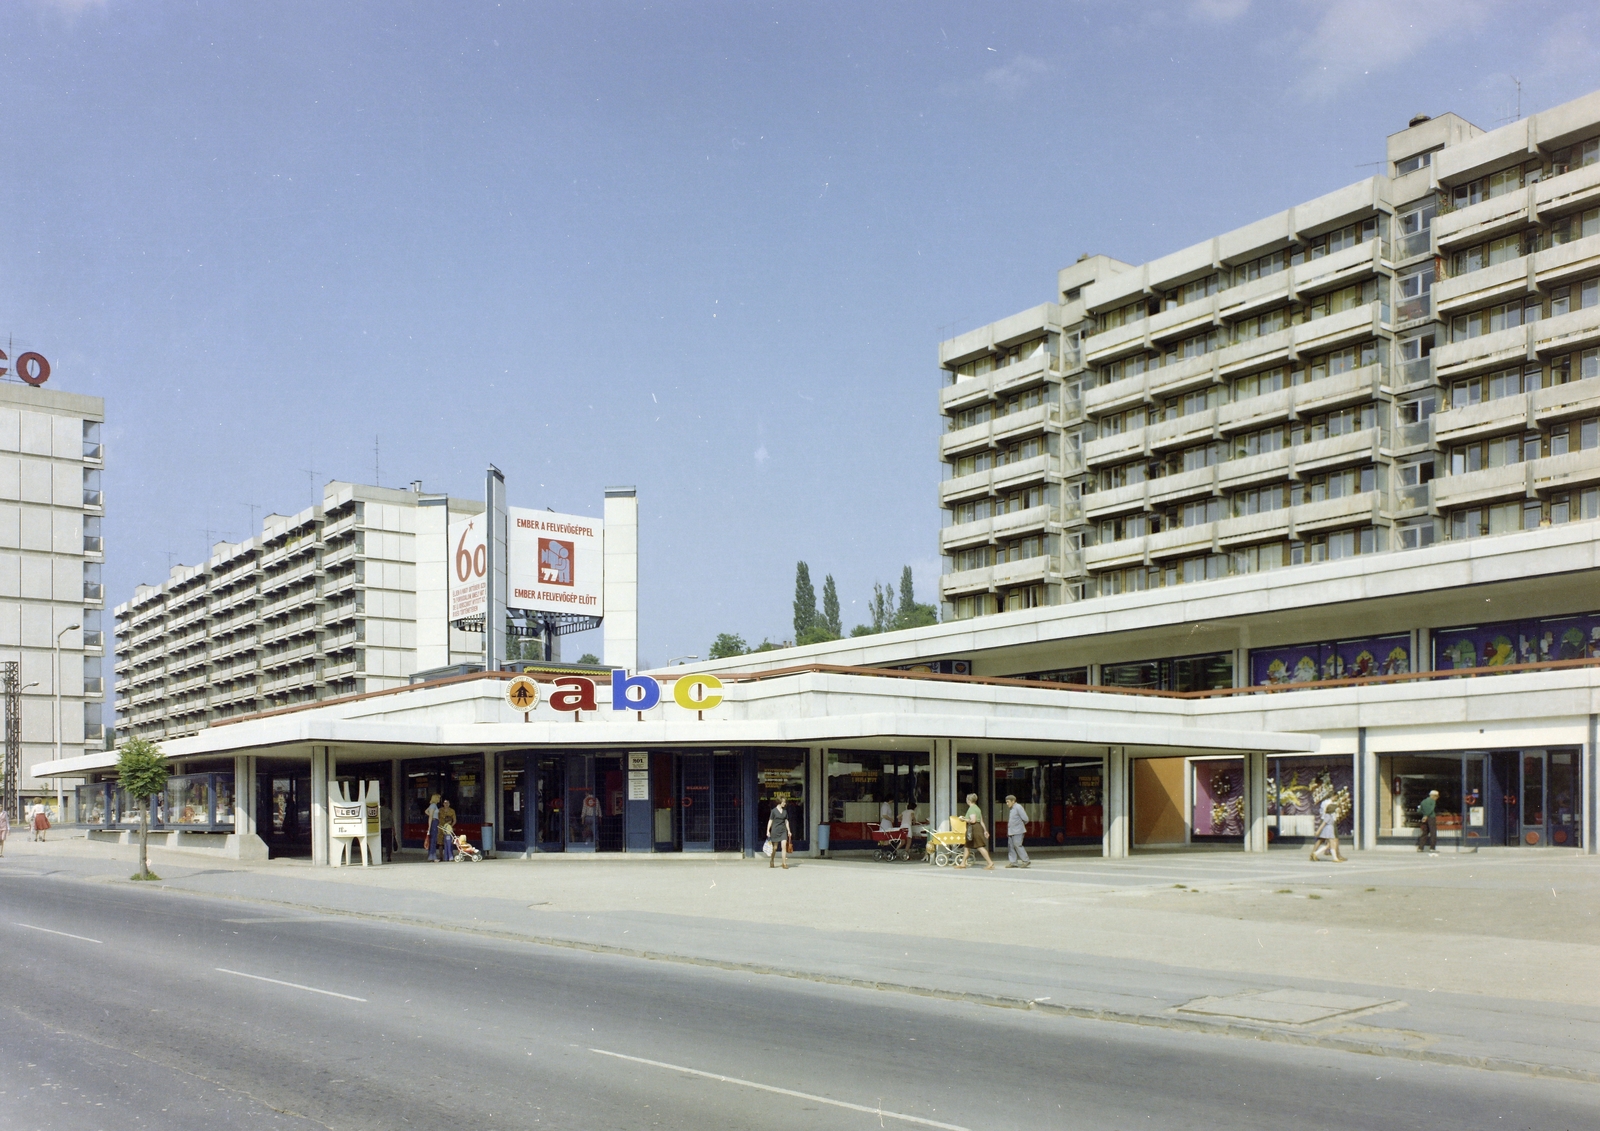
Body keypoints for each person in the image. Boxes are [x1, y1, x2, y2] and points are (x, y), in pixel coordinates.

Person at [959, 793, 993, 870]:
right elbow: (981, 821)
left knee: (979, 846)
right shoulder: (977, 808)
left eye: (967, 799)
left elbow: (973, 820)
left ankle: (990, 862)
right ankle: (963, 863)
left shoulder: (972, 809)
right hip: (978, 828)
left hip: (974, 829)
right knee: (967, 846)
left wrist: (963, 819)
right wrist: (985, 830)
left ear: (969, 800)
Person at [1004, 794, 1031, 868]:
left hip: (1018, 831)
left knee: (1017, 845)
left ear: (1013, 801)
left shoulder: (1018, 807)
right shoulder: (1012, 809)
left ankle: (1026, 860)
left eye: (1008, 802)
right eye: (1006, 802)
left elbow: (1026, 819)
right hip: (1011, 831)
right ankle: (1013, 862)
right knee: (1011, 847)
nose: (1007, 804)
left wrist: (1019, 826)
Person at [766, 799, 791, 869]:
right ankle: (772, 860)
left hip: (783, 831)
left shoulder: (785, 811)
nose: (785, 803)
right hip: (775, 830)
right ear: (780, 802)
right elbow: (770, 820)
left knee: (784, 847)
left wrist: (789, 830)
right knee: (775, 848)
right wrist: (768, 830)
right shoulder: (773, 811)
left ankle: (784, 863)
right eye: (784, 802)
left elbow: (786, 821)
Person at [1417, 789, 1439, 854]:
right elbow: (1431, 809)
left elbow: (1419, 810)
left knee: (1425, 832)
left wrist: (1424, 815)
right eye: (1437, 796)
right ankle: (1432, 848)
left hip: (1424, 818)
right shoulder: (1432, 801)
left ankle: (1420, 847)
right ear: (1434, 796)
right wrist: (1427, 815)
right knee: (1433, 832)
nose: (1437, 798)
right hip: (1431, 817)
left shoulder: (1423, 801)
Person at [425, 793, 442, 862]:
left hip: (435, 822)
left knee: (433, 839)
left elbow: (426, 811)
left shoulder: (432, 806)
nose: (439, 799)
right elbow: (430, 817)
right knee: (433, 840)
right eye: (438, 798)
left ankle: (431, 855)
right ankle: (433, 856)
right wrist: (429, 827)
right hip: (434, 822)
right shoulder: (433, 805)